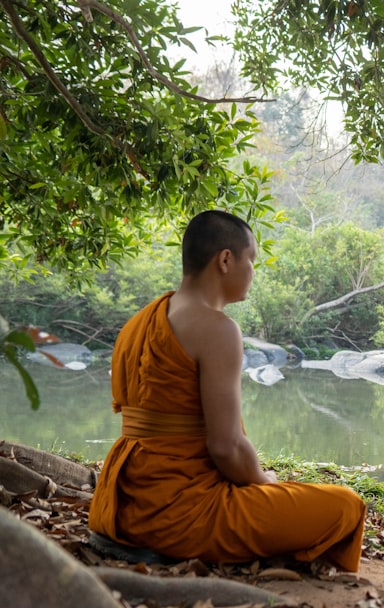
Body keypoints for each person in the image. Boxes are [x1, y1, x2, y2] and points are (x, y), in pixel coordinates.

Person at [89, 210, 367, 571]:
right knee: (347, 505)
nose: (253, 271)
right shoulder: (218, 329)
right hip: (175, 516)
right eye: (251, 260)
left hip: (115, 507)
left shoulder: (137, 322)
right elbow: (225, 447)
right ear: (225, 260)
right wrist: (263, 480)